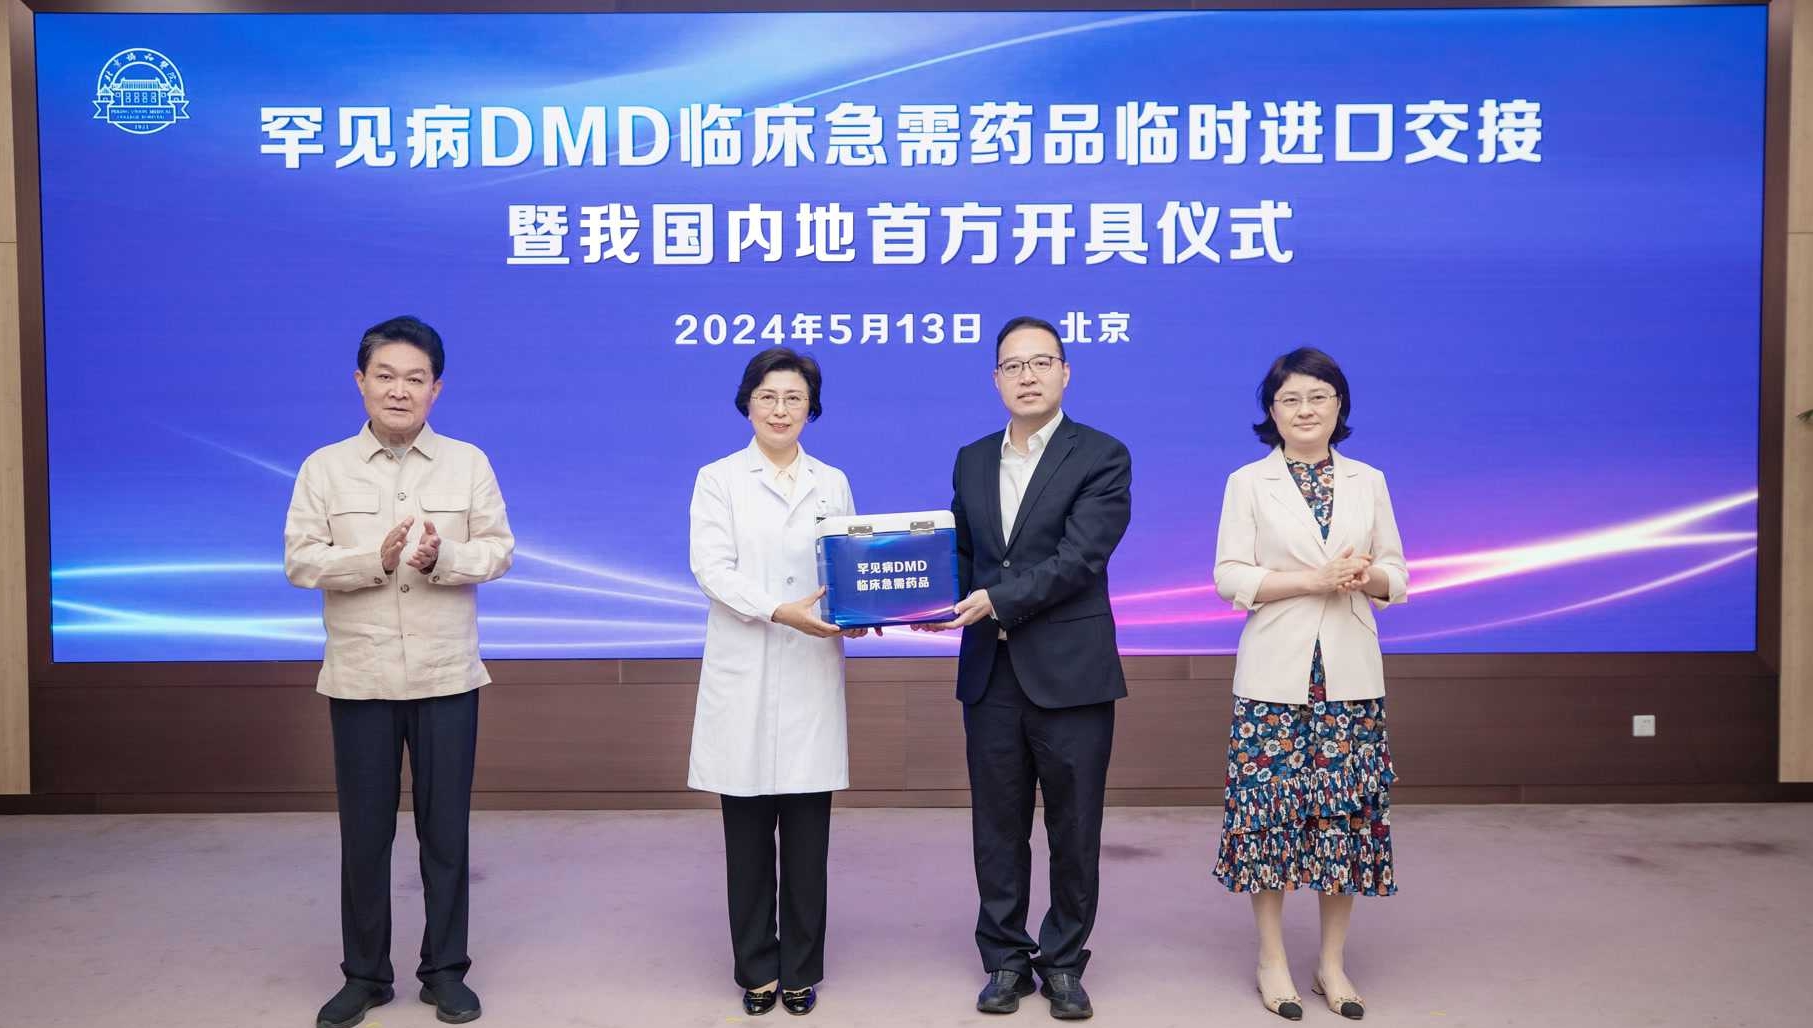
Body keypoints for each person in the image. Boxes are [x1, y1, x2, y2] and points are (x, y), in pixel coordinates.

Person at [284, 316, 514, 1028]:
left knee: (446, 834)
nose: (399, 390)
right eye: (385, 376)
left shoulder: (467, 463)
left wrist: (444, 558)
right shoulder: (324, 467)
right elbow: (300, 561)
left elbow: (499, 550)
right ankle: (364, 975)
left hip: (447, 677)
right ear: (360, 382)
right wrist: (371, 561)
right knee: (365, 835)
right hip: (360, 677)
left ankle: (445, 972)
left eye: (415, 379)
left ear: (436, 389)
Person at [918, 315, 1132, 1021]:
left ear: (1066, 372)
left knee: (1074, 826)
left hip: (1071, 672)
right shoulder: (971, 458)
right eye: (1013, 366)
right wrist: (920, 599)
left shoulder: (1101, 455)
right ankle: (1005, 960)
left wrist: (995, 599)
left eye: (1041, 362)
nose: (1028, 376)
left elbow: (1081, 558)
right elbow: (961, 553)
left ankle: (1063, 961)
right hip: (991, 672)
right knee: (997, 827)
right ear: (996, 380)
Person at [1211, 347, 1408, 1022]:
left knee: (1342, 820)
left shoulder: (1367, 480)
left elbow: (1397, 576)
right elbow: (1229, 576)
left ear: (1339, 405)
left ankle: (1331, 963)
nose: (1304, 410)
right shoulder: (1247, 482)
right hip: (1274, 673)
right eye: (1290, 399)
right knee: (1267, 818)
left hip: (1348, 676)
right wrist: (1311, 580)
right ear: (1271, 411)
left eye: (1318, 396)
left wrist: (1365, 577)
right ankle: (1271, 959)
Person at [688, 347, 869, 1018]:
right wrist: (776, 610)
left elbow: (848, 564)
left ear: (811, 408)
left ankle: (800, 968)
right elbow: (711, 568)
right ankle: (756, 968)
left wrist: (858, 611)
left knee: (806, 837)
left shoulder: (833, 481)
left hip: (809, 670)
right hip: (746, 664)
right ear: (747, 404)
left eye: (794, 397)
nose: (780, 409)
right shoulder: (717, 479)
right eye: (767, 396)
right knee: (745, 839)